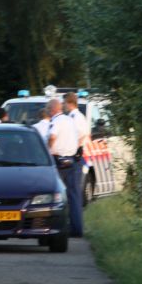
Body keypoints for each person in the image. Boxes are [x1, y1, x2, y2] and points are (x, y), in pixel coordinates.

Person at [46, 98, 81, 237]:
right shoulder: (70, 120)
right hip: (72, 160)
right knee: (74, 196)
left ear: (52, 110)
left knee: (56, 196)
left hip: (58, 161)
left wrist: (47, 149)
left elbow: (52, 136)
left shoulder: (56, 121)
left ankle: (56, 228)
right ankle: (77, 229)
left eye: (48, 109)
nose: (47, 112)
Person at [63, 92, 91, 237]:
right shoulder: (74, 117)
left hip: (76, 157)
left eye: (64, 103)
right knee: (72, 194)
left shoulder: (76, 117)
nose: (63, 106)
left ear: (69, 103)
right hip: (75, 157)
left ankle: (77, 229)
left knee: (74, 194)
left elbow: (80, 135)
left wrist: (73, 147)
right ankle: (74, 226)